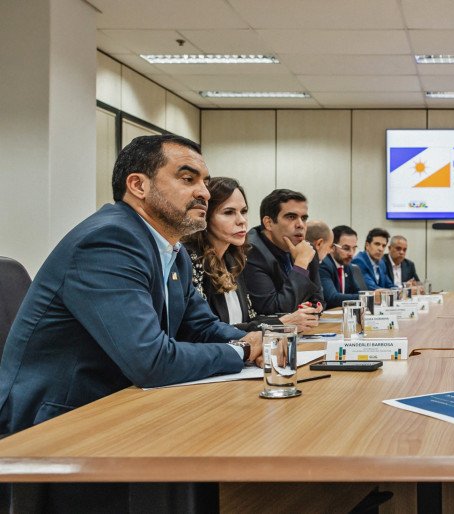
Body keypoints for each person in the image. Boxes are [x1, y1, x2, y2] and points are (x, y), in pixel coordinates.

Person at [0, 135, 263, 438]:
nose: (203, 192)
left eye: (205, 181)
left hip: (119, 406)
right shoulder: (108, 241)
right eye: (188, 178)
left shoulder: (172, 252)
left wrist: (264, 341)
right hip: (57, 424)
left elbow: (202, 328)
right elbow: (150, 360)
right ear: (138, 185)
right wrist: (241, 351)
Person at [182, 177, 318, 332]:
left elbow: (250, 319)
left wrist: (286, 321)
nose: (242, 221)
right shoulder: (190, 259)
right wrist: (279, 324)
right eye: (229, 212)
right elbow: (206, 331)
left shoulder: (232, 260)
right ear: (205, 216)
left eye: (244, 211)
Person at [244, 189, 324, 315]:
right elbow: (273, 311)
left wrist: (313, 308)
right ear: (269, 223)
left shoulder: (307, 249)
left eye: (303, 218)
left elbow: (318, 300)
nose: (300, 225)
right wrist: (301, 264)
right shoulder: (252, 251)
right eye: (291, 217)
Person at [320, 225, 362, 309]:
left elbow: (356, 291)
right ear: (332, 247)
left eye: (354, 248)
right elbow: (332, 298)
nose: (351, 253)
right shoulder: (324, 264)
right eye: (346, 248)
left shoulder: (347, 265)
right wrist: (369, 297)